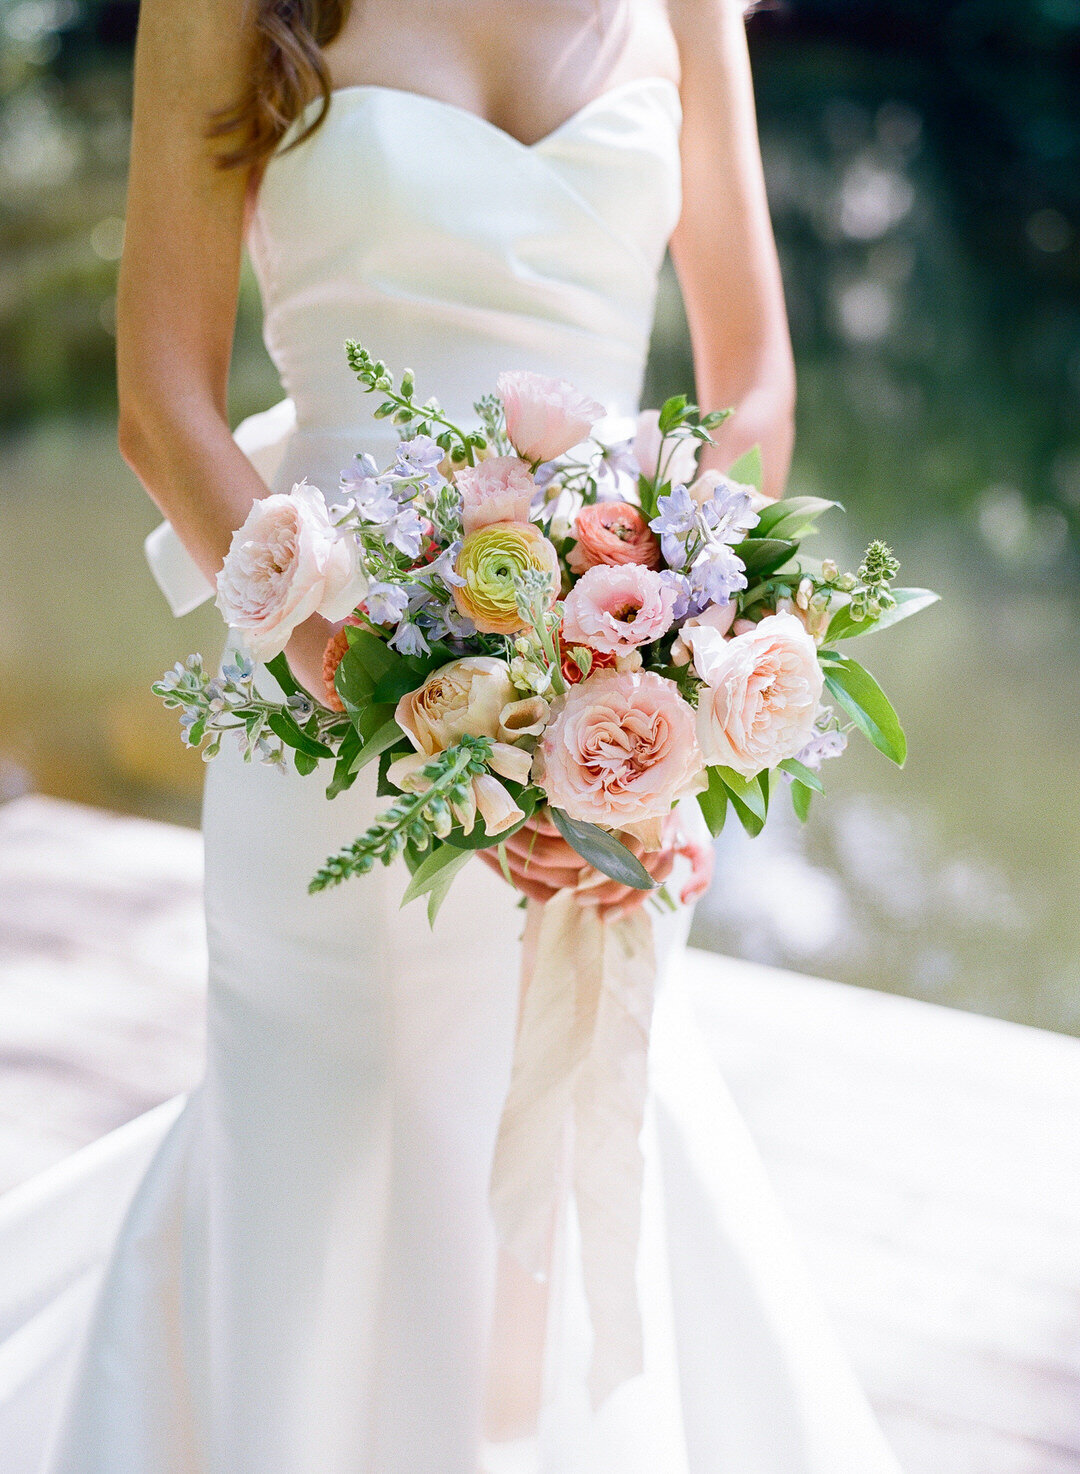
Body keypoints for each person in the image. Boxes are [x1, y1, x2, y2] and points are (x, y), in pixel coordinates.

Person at [17, 2, 903, 1470]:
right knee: (317, 1166)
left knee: (566, 1143)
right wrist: (365, 667)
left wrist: (661, 680)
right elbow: (160, 405)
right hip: (327, 716)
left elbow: (752, 384)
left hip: (606, 704)